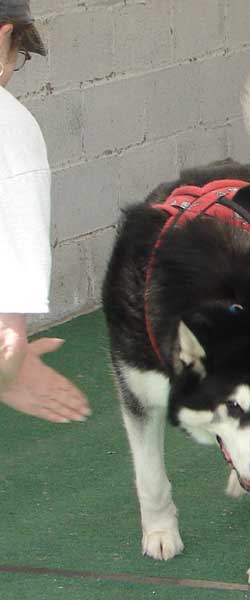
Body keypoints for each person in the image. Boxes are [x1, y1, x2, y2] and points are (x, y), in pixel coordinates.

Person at [0, 0, 90, 423]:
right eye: (17, 56)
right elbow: (6, 342)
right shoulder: (9, 132)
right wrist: (10, 375)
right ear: (2, 35)